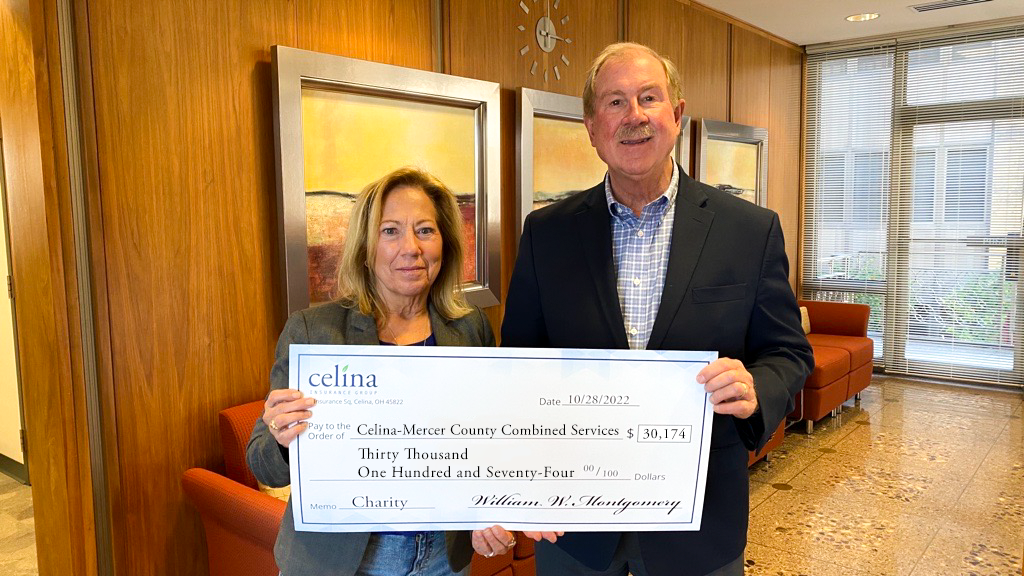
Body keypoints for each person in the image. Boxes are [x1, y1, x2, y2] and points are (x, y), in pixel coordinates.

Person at [501, 43, 814, 576]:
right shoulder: (546, 233)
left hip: (699, 522)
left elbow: (787, 351)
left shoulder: (748, 231)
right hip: (573, 523)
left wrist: (757, 387)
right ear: (591, 125)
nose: (635, 116)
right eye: (615, 102)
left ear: (677, 115)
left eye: (649, 97)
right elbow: (519, 364)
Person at [247, 167, 516, 576]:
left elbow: (485, 443)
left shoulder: (469, 327)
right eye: (390, 231)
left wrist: (491, 509)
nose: (411, 247)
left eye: (425, 230)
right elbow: (262, 465)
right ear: (365, 246)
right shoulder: (313, 331)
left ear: (444, 242)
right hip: (338, 562)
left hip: (442, 558)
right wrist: (283, 440)